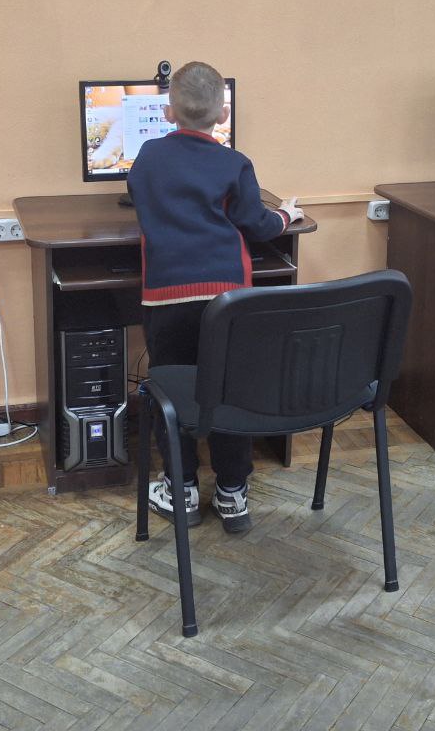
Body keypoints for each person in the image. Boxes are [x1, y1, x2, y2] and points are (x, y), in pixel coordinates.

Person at [127, 61, 303, 533]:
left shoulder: (147, 156)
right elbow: (257, 225)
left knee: (169, 389)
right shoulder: (234, 163)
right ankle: (232, 493)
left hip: (166, 299)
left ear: (168, 112)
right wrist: (286, 215)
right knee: (228, 392)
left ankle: (180, 489)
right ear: (223, 114)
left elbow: (142, 198)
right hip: (228, 302)